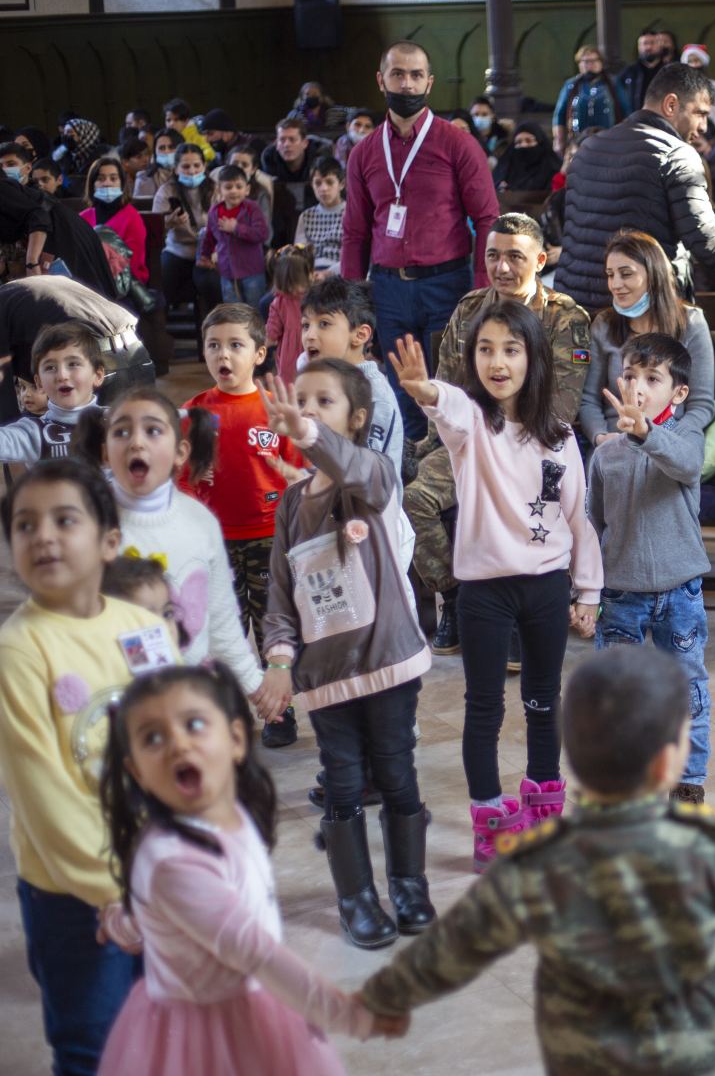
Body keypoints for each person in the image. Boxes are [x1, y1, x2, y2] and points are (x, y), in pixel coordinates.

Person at [357, 645, 715, 1071]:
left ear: (572, 755)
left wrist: (385, 996)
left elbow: (457, 946)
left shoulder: (537, 860)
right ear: (670, 764)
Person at [387, 306, 602, 871]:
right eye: (485, 348)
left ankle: (543, 810)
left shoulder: (559, 437)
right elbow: (449, 406)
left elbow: (579, 518)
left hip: (547, 589)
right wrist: (424, 389)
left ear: (533, 358)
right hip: (484, 593)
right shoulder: (471, 426)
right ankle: (488, 823)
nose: (498, 361)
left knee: (541, 700)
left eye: (511, 349)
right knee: (483, 707)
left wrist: (589, 592)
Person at [95, 667, 382, 1076]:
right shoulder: (172, 860)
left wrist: (138, 917)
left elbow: (209, 904)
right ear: (137, 771)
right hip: (201, 1031)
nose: (177, 744)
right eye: (152, 738)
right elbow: (250, 947)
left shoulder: (230, 814)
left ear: (234, 739)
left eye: (194, 724)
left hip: (251, 998)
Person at [0, 459, 171, 1076]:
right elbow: (42, 792)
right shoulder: (20, 649)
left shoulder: (147, 630)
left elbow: (179, 752)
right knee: (93, 1045)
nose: (42, 535)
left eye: (63, 519)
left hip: (160, 880)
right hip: (74, 895)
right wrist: (112, 889)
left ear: (108, 540)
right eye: (25, 524)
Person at [255, 368, 434, 947]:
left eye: (322, 403)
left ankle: (409, 885)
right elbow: (281, 592)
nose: (305, 410)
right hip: (326, 680)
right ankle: (356, 899)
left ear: (355, 420)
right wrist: (280, 663)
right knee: (343, 783)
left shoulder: (371, 477)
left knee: (398, 774)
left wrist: (305, 432)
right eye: (299, 401)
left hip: (388, 664)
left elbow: (353, 467)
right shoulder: (290, 505)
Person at [408, 214, 592, 651]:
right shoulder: (471, 309)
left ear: (541, 260)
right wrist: (435, 446)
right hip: (472, 440)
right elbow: (448, 385)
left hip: (535, 447)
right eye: (493, 256)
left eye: (515, 257)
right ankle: (456, 594)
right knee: (412, 497)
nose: (503, 268)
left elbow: (561, 408)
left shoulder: (566, 317)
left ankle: (521, 610)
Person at [341, 40, 501, 442]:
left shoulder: (457, 144)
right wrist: (350, 298)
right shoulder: (364, 152)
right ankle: (411, 464)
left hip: (447, 284)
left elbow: (487, 218)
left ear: (429, 83)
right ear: (382, 80)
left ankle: (449, 471)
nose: (407, 84)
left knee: (450, 384)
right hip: (388, 288)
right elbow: (356, 231)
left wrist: (482, 286)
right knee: (400, 386)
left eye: (415, 76)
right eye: (398, 74)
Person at [73, 386, 271, 705]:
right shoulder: (89, 524)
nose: (137, 441)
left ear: (181, 452)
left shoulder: (199, 521)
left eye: (153, 431)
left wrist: (252, 681)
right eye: (122, 432)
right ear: (105, 452)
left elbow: (219, 615)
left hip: (190, 694)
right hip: (113, 699)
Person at [586, 333, 713, 804]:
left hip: (680, 591)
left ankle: (689, 779)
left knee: (688, 688)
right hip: (621, 593)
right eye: (630, 375)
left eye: (652, 378)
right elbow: (592, 522)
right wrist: (585, 590)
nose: (638, 386)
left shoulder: (685, 438)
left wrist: (645, 433)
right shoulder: (606, 453)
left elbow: (685, 465)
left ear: (678, 393)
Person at [179, 305, 305, 746]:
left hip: (271, 538)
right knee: (223, 630)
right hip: (214, 545)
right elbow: (176, 484)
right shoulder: (192, 414)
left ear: (259, 353)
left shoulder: (276, 409)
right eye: (214, 345)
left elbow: (298, 471)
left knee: (274, 630)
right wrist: (192, 479)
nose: (223, 355)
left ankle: (278, 710)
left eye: (235, 345)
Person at [555, 63, 715, 307]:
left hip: (577, 308)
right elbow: (707, 241)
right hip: (640, 311)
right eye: (701, 113)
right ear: (671, 104)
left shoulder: (587, 149)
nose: (704, 127)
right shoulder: (676, 154)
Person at [579, 229, 715, 447]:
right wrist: (600, 437)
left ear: (653, 275)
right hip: (616, 440)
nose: (615, 284)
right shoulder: (604, 324)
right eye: (610, 274)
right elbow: (589, 400)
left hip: (672, 439)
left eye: (626, 273)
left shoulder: (691, 323)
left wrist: (665, 442)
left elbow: (701, 404)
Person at [0, 276, 154, 414]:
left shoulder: (7, 301)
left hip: (93, 360)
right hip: (136, 349)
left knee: (94, 441)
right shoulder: (17, 290)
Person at [299, 277, 402, 475]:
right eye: (306, 325)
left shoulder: (375, 396)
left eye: (324, 324)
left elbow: (369, 474)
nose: (309, 335)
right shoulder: (310, 379)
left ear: (360, 335)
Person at [0, 142, 119, 297]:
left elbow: (38, 215)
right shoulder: (25, 192)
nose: (4, 170)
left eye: (10, 164)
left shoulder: (9, 189)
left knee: (78, 296)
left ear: (28, 168)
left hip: (63, 235)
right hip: (62, 234)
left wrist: (32, 262)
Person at [0, 322, 106, 466]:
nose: (62, 375)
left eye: (73, 364)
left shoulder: (120, 420)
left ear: (98, 375)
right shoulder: (32, 432)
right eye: (50, 367)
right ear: (39, 383)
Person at [153, 143, 221, 321]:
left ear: (204, 167)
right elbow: (154, 228)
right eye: (185, 166)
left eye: (197, 166)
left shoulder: (215, 189)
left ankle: (213, 330)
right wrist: (168, 223)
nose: (191, 171)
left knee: (211, 284)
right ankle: (160, 332)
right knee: (162, 280)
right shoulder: (167, 190)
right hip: (178, 250)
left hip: (209, 252)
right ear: (176, 169)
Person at [198, 164, 269, 306]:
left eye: (239, 186)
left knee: (254, 309)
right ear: (219, 190)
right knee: (233, 311)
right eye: (228, 187)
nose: (234, 191)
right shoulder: (214, 211)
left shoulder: (252, 208)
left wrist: (237, 228)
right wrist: (204, 255)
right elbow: (210, 236)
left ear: (247, 189)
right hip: (227, 271)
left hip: (252, 270)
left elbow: (262, 234)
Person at [80, 157, 147, 288]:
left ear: (122, 184)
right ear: (92, 185)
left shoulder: (132, 216)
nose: (107, 183)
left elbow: (133, 261)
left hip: (125, 281)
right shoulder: (83, 217)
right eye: (100, 179)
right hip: (90, 282)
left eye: (113, 178)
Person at [553, 45, 627, 150]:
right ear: (579, 64)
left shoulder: (612, 84)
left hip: (610, 141)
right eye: (585, 61)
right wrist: (559, 140)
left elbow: (626, 111)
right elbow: (559, 114)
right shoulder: (571, 85)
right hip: (578, 142)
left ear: (601, 62)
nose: (589, 65)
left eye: (593, 61)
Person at [262, 244, 313, 383]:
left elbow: (272, 334)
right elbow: (272, 332)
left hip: (296, 352)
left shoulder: (279, 303)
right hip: (304, 349)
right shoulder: (311, 298)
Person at [258, 118, 329, 215]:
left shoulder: (319, 155)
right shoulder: (269, 158)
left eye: (292, 139)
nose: (287, 144)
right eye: (282, 140)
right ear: (276, 144)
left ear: (305, 143)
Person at [293, 155, 345, 274]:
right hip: (309, 272)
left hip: (339, 272)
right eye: (318, 183)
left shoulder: (351, 214)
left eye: (329, 182)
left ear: (341, 184)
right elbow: (299, 253)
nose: (324, 188)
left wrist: (327, 274)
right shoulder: (306, 216)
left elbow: (354, 256)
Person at [491, 121, 562, 193]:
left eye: (529, 141)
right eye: (518, 142)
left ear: (540, 143)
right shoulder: (505, 170)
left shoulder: (553, 170)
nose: (523, 145)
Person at [618, 27, 673, 113]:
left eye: (652, 43)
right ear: (638, 47)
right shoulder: (628, 73)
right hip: (635, 120)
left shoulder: (669, 72)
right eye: (644, 44)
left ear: (660, 45)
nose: (648, 47)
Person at [162, 98, 215, 163]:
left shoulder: (197, 133)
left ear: (186, 121)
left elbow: (210, 153)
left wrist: (189, 160)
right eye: (168, 120)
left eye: (176, 120)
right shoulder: (165, 137)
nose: (171, 124)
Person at [135, 128, 179, 198]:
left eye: (172, 147)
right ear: (155, 152)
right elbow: (136, 207)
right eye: (162, 148)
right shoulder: (144, 179)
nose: (166, 151)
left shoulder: (191, 174)